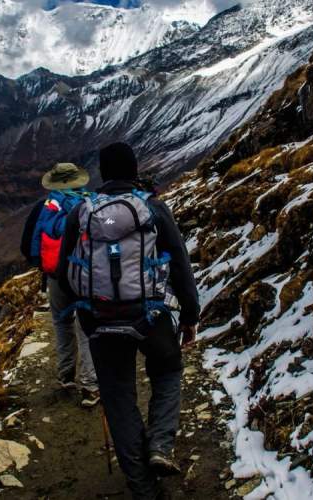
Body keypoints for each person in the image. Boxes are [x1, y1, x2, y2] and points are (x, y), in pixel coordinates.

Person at [57, 143, 200, 500]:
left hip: (100, 320)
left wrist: (86, 312)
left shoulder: (81, 212)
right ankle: (160, 445)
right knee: (167, 372)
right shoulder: (153, 209)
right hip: (150, 315)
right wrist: (190, 317)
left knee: (119, 399)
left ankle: (142, 488)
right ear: (135, 170)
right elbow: (180, 265)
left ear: (103, 174)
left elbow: (62, 272)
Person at [20, 162, 100, 408]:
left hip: (56, 277)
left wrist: (45, 267)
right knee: (86, 326)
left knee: (61, 322)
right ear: (80, 181)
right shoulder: (93, 204)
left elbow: (27, 245)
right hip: (86, 277)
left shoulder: (43, 208)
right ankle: (90, 385)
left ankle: (66, 376)